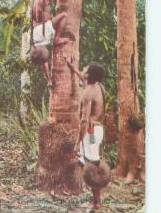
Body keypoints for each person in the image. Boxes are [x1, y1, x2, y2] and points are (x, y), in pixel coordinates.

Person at [29, 0, 84, 88]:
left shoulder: (33, 2)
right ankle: (57, 38)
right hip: (45, 27)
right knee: (64, 15)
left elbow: (34, 19)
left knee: (42, 57)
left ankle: (49, 80)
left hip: (36, 31)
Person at [68, 61, 106, 210]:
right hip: (97, 130)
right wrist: (73, 69)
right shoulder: (97, 86)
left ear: (89, 74)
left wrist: (77, 142)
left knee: (91, 165)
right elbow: (83, 79)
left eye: (85, 69)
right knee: (90, 163)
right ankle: (95, 199)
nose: (83, 69)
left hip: (90, 132)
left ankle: (96, 202)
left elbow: (84, 121)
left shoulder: (87, 94)